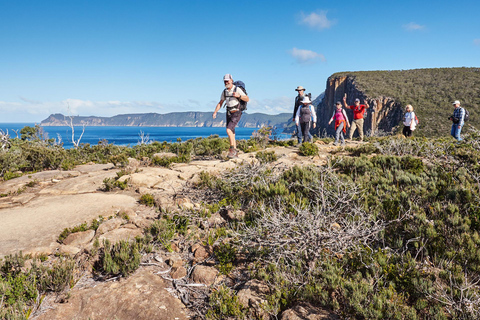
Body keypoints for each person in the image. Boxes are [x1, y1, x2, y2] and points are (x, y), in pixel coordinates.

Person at [213, 74, 249, 158]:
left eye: (227, 81)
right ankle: (235, 153)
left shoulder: (237, 89)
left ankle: (232, 150)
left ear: (231, 80)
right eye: (225, 81)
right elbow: (221, 102)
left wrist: (239, 96)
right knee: (232, 132)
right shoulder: (225, 91)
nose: (226, 82)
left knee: (228, 130)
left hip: (236, 112)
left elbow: (247, 99)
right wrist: (215, 112)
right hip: (228, 112)